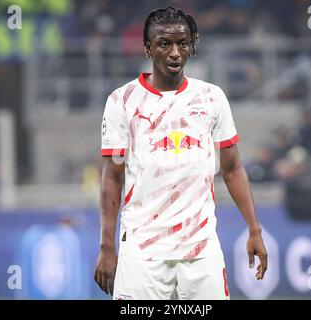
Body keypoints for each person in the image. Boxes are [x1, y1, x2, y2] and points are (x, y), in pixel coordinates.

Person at [94, 6, 267, 300]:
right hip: (142, 251)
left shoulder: (212, 98)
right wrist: (107, 247)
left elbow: (233, 168)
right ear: (148, 47)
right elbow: (113, 177)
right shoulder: (122, 101)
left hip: (201, 250)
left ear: (192, 46)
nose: (175, 52)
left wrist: (254, 229)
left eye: (183, 43)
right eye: (165, 44)